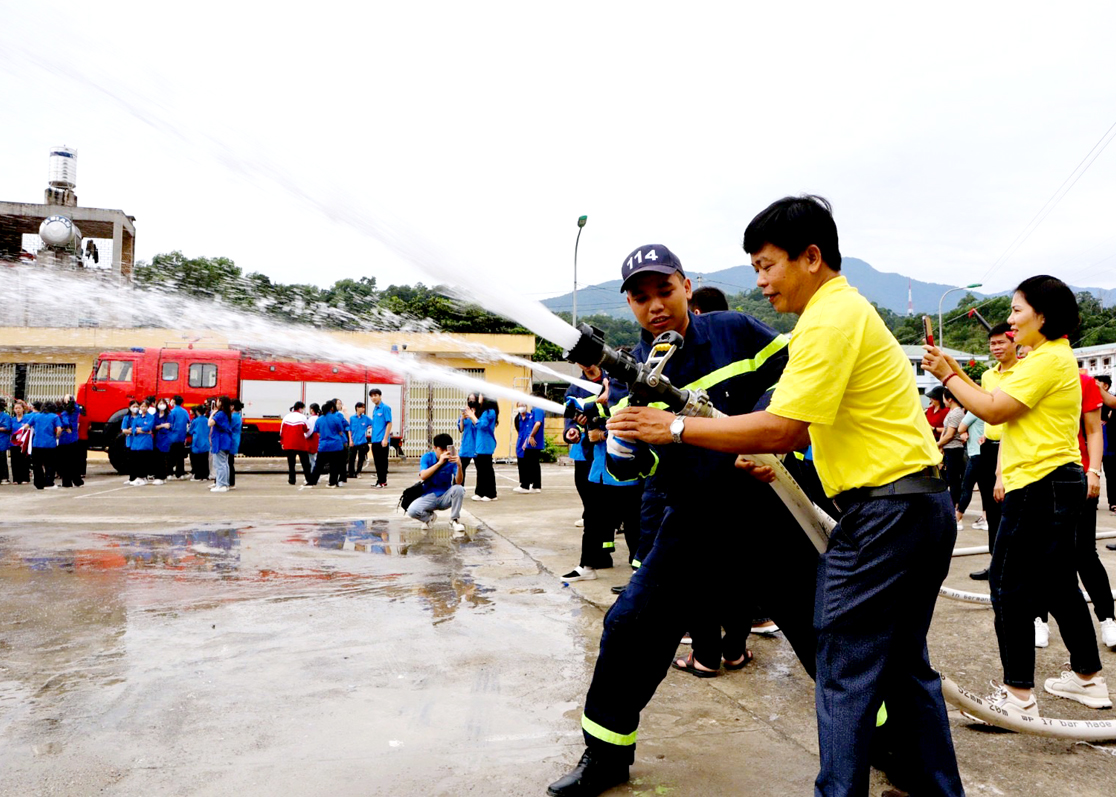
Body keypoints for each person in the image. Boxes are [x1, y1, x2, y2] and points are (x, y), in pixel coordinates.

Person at [605, 200, 963, 796]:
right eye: (638, 297)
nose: (761, 282)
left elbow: (785, 425)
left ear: (811, 257)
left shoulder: (816, 322)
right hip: (911, 506)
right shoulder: (844, 313)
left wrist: (672, 428)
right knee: (905, 668)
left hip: (882, 513)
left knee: (843, 668)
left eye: (768, 266)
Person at [549, 241, 822, 797]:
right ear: (629, 304)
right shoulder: (635, 373)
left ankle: (886, 741)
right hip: (693, 519)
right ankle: (605, 757)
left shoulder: (736, 330)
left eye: (663, 291)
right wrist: (625, 451)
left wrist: (765, 434)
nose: (654, 306)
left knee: (826, 634)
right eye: (640, 297)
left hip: (768, 511)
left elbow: (801, 380)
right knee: (630, 627)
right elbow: (641, 468)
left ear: (686, 286)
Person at [923, 274, 1109, 717]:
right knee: (1059, 582)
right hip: (1054, 480)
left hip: (1041, 484)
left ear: (1042, 316)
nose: (1009, 321)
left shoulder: (1047, 361)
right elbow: (996, 411)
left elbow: (991, 410)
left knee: (1007, 586)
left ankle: (1017, 697)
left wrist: (948, 373)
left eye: (1016, 310)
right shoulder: (1045, 357)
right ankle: (1088, 678)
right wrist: (956, 373)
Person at [1035, 371, 1116, 650]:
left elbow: (1094, 429)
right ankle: (1038, 619)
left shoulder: (1082, 381)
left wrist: (1093, 471)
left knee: (1084, 551)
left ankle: (1108, 618)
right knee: (1041, 554)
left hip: (1076, 474)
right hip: (1034, 478)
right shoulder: (1024, 375)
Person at [968, 322, 1019, 580]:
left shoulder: (1024, 372)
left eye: (1001, 342)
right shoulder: (988, 376)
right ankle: (995, 564)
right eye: (992, 343)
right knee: (991, 508)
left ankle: (1013, 567)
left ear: (1015, 343)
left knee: (1013, 509)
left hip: (1014, 449)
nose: (996, 347)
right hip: (989, 448)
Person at [406, 432, 467, 535]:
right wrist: (439, 463)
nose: (444, 452)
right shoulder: (427, 457)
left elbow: (459, 481)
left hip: (445, 495)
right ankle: (429, 518)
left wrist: (460, 466)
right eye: (441, 449)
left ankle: (454, 520)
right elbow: (423, 475)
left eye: (446, 449)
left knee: (459, 489)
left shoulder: (452, 460)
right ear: (434, 448)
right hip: (429, 495)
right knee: (412, 510)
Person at [937, 389, 967, 531]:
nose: (943, 401)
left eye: (944, 398)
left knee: (954, 479)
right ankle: (953, 504)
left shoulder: (956, 413)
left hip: (954, 449)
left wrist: (937, 444)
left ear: (949, 399)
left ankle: (954, 505)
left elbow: (949, 435)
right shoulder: (953, 412)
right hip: (949, 449)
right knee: (952, 478)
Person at [956, 409, 986, 531]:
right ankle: (985, 518)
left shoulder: (974, 411)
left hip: (975, 453)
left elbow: (960, 428)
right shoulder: (986, 409)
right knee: (985, 488)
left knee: (967, 487)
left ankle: (957, 518)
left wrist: (964, 431)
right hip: (986, 453)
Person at [307, 399, 346, 488]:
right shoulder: (336, 418)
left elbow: (317, 432)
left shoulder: (319, 420)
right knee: (334, 465)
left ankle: (313, 481)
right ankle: (332, 482)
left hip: (323, 445)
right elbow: (340, 431)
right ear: (331, 409)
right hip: (336, 445)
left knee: (318, 465)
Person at [24, 400, 61, 489]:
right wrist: (56, 436)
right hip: (50, 444)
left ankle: (38, 483)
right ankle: (49, 482)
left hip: (37, 443)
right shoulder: (54, 417)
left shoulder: (36, 416)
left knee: (37, 465)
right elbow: (59, 429)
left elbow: (26, 426)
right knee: (50, 465)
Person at [470, 395, 499, 501]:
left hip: (486, 443)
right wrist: (472, 414)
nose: (479, 397)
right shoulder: (483, 411)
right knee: (480, 469)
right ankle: (480, 492)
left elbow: (482, 425)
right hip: (480, 443)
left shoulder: (490, 411)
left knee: (487, 469)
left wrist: (472, 416)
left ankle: (491, 493)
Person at [56, 394, 84, 488]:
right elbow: (77, 407)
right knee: (74, 462)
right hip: (74, 439)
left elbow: (65, 422)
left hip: (64, 440)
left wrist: (66, 427)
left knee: (65, 463)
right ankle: (77, 480)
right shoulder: (76, 411)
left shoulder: (64, 413)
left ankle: (67, 482)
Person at [208, 396, 235, 493]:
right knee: (224, 464)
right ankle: (224, 484)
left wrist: (213, 413)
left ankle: (221, 484)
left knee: (219, 464)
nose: (216, 402)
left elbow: (210, 423)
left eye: (218, 401)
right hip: (225, 441)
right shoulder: (226, 414)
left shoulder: (219, 414)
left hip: (220, 442)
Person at [281, 401, 311, 485]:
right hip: (300, 443)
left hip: (289, 444)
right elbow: (308, 429)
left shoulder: (286, 417)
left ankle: (292, 480)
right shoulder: (302, 417)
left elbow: (281, 431)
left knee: (291, 464)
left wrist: (283, 442)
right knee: (305, 463)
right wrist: (305, 437)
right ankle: (308, 479)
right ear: (301, 408)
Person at [368, 389, 393, 488]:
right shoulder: (375, 409)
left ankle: (383, 481)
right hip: (375, 439)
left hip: (382, 440)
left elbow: (389, 423)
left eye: (375, 395)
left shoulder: (385, 408)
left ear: (380, 396)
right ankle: (379, 480)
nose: (373, 397)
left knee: (382, 462)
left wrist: (385, 438)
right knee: (377, 462)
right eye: (372, 396)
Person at [457, 393, 479, 485]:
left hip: (477, 445)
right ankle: (459, 488)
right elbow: (461, 429)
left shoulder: (479, 413)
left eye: (473, 399)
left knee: (480, 469)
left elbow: (479, 426)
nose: (471, 401)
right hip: (466, 444)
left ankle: (480, 491)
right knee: (460, 467)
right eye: (469, 399)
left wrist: (472, 416)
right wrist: (462, 419)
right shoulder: (465, 413)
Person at [8, 401, 31, 485]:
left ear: (23, 409)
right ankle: (16, 479)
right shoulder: (12, 420)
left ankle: (25, 478)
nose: (17, 410)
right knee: (14, 461)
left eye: (19, 408)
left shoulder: (27, 419)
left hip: (24, 443)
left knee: (24, 461)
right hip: (14, 443)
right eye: (16, 408)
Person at [348, 401, 372, 478]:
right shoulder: (351, 418)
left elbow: (373, 423)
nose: (363, 409)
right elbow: (349, 430)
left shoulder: (365, 418)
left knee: (361, 458)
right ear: (357, 408)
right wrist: (350, 440)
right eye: (362, 407)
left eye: (364, 407)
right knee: (351, 458)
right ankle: (351, 473)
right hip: (354, 441)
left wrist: (367, 427)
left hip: (362, 441)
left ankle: (358, 472)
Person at [152, 399, 174, 485]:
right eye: (160, 403)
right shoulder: (155, 415)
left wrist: (160, 427)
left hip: (165, 438)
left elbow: (169, 426)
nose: (161, 405)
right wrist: (162, 425)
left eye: (163, 403)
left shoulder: (169, 415)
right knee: (157, 457)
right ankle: (158, 475)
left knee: (163, 457)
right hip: (157, 438)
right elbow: (153, 427)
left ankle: (161, 477)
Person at [169, 395, 190, 479]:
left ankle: (170, 473)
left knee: (171, 455)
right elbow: (188, 422)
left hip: (172, 436)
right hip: (182, 436)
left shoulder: (172, 412)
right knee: (180, 456)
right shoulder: (184, 411)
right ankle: (180, 473)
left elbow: (170, 423)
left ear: (174, 401)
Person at [188, 405, 210, 481]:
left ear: (197, 411)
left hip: (197, 442)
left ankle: (198, 476)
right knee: (205, 460)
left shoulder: (195, 421)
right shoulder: (207, 420)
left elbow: (190, 431)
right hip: (206, 442)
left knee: (197, 461)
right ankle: (205, 475)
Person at [227, 400, 244, 489]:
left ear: (232, 406)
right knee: (229, 462)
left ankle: (231, 482)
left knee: (229, 462)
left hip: (231, 441)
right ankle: (230, 482)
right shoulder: (237, 416)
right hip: (234, 440)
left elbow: (227, 427)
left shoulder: (233, 417)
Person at [0, 399, 11, 484]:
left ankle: (4, 477)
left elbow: (7, 427)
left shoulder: (5, 416)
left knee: (2, 458)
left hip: (2, 439)